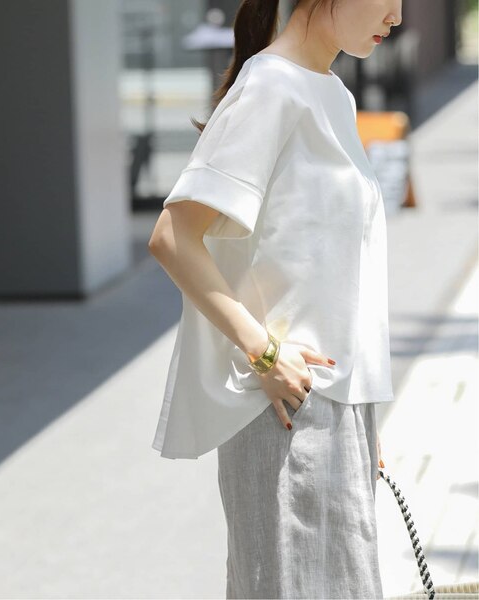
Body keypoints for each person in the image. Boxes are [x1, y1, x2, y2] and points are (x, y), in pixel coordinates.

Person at [149, 0, 402, 597]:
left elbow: (329, 272)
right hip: (287, 410)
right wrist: (264, 352)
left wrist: (361, 411)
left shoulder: (332, 94)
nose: (396, 15)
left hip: (332, 408)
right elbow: (173, 237)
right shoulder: (271, 88)